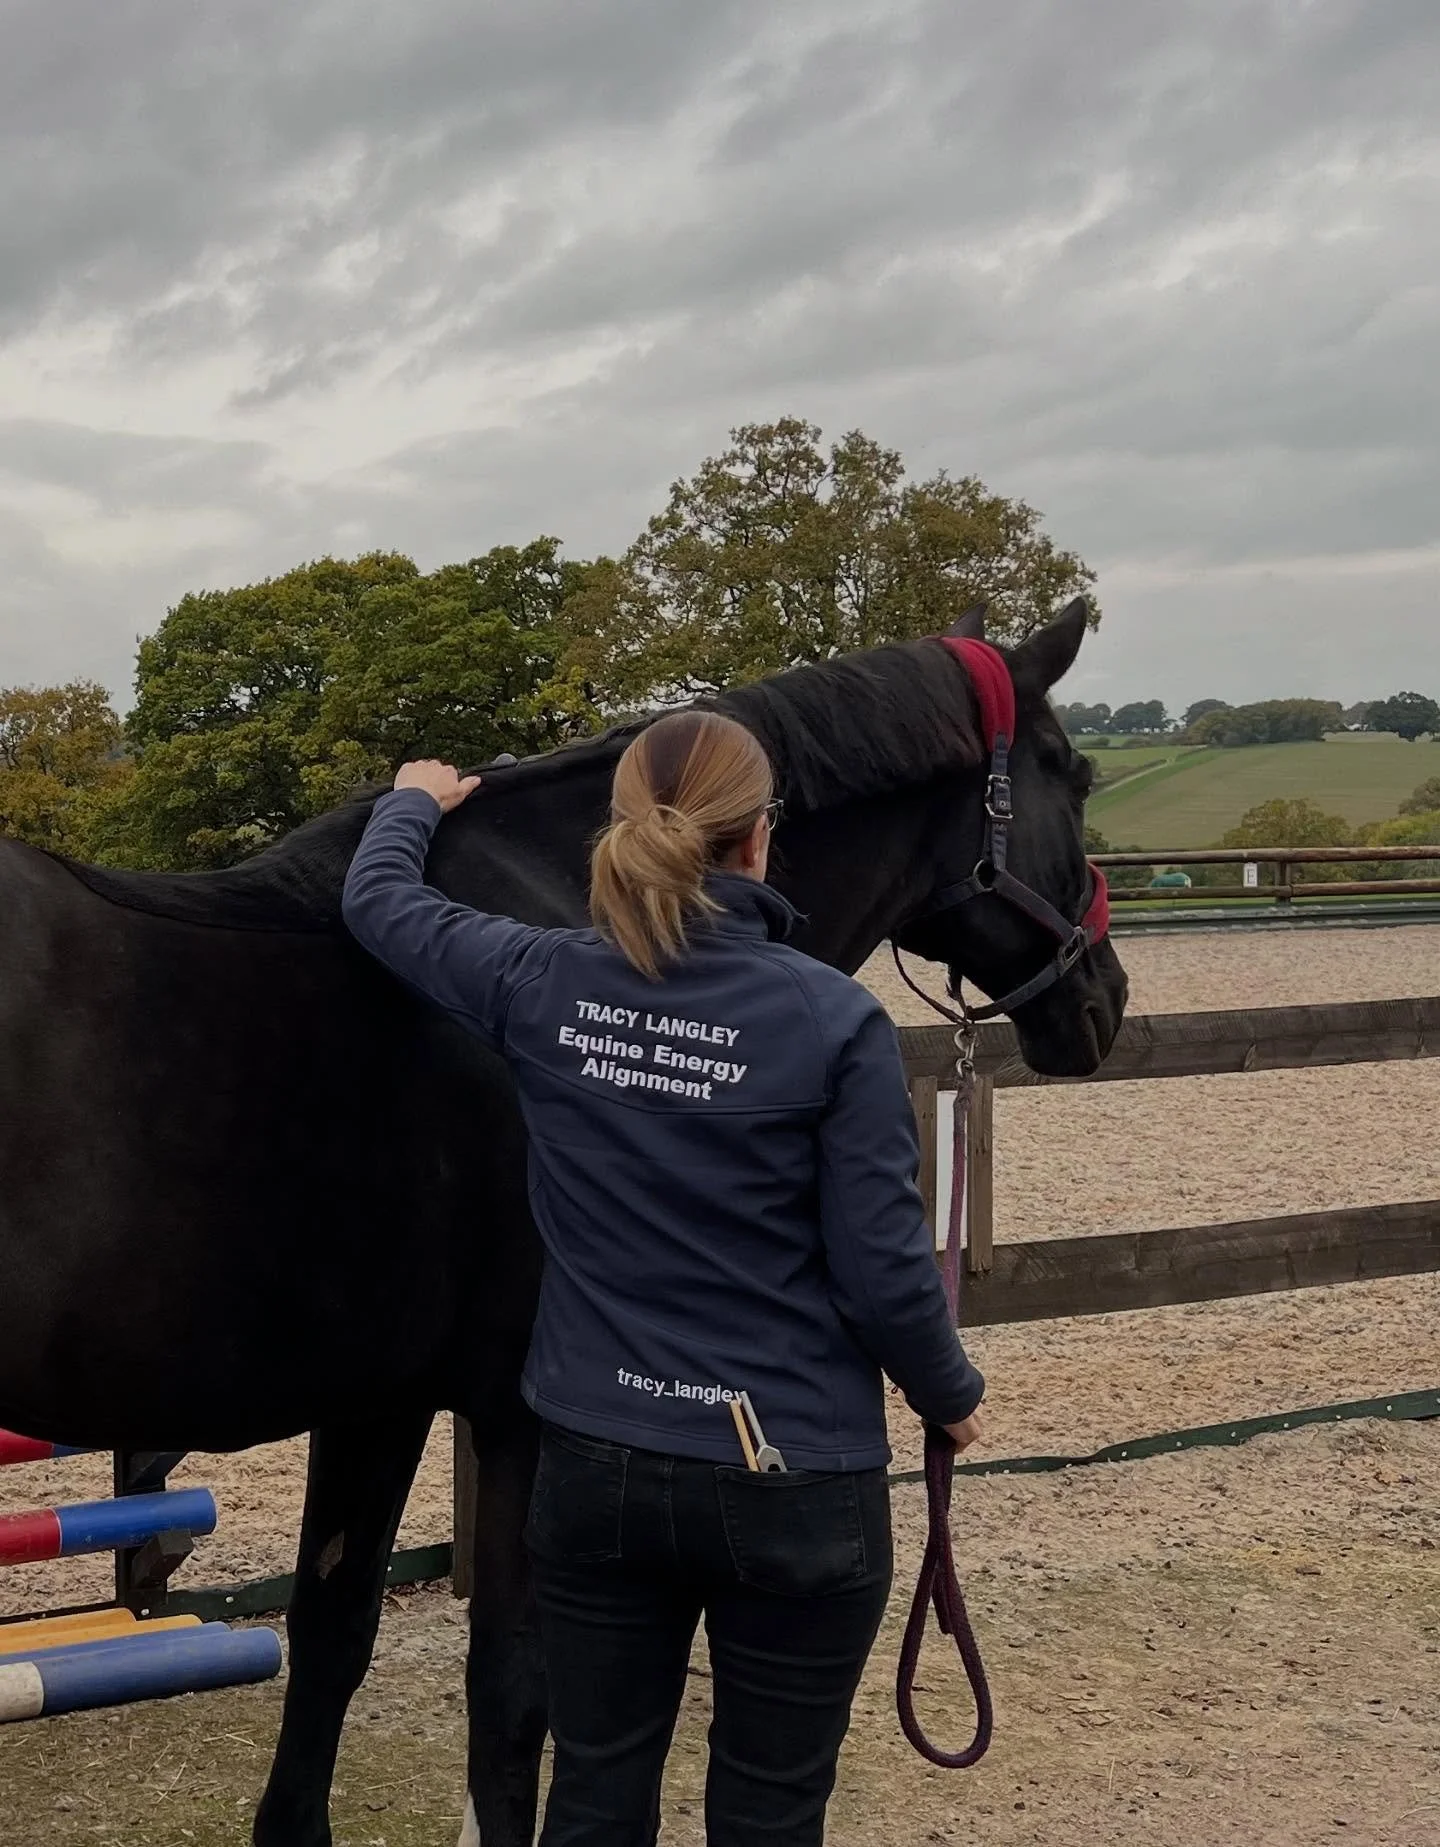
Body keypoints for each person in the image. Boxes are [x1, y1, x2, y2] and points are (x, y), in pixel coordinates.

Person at [341, 710, 985, 1847]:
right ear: (759, 839)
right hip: (794, 1476)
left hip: (598, 1467)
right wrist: (948, 1390)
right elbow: (884, 1270)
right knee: (770, 1805)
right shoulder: (834, 1019)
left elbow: (381, 907)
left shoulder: (540, 975)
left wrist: (410, 802)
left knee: (595, 1789)